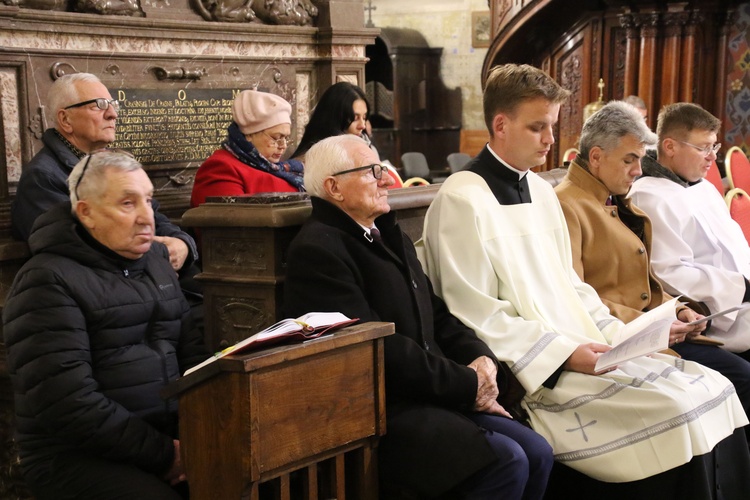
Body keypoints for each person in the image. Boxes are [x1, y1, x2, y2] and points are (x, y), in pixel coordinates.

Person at [418, 63, 749, 498]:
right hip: (540, 373)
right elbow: (476, 313)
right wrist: (566, 353)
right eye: (537, 127)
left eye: (551, 126)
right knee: (676, 407)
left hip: (588, 346)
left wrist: (627, 336)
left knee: (714, 387)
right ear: (500, 125)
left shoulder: (538, 191)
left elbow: (571, 287)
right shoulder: (462, 199)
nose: (551, 140)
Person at [283, 134, 553, 499]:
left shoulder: (388, 235)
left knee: (538, 451)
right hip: (385, 409)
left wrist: (481, 360)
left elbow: (438, 316)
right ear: (334, 187)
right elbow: (376, 347)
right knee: (508, 460)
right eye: (371, 171)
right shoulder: (319, 250)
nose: (386, 179)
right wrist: (466, 384)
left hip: (435, 391)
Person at [3, 151, 208, 499]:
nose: (147, 218)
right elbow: (69, 404)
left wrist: (205, 436)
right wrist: (167, 455)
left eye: (149, 201)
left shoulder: (156, 263)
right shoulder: (47, 280)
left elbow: (192, 357)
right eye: (127, 204)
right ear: (87, 213)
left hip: (163, 435)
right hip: (75, 454)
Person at [554, 100, 750, 420]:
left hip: (659, 326)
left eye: (640, 160)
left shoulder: (616, 200)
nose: (638, 170)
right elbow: (576, 294)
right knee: (739, 378)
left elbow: (646, 281)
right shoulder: (570, 204)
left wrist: (679, 309)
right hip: (621, 337)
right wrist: (654, 324)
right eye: (630, 160)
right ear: (596, 157)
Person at [11, 72, 198, 277]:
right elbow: (81, 247)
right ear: (65, 119)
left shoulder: (110, 165)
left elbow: (153, 216)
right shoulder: (43, 177)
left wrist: (182, 244)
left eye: (112, 104)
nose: (112, 114)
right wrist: (162, 254)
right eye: (98, 105)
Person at [629, 103, 750, 355]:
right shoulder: (649, 195)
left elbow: (733, 244)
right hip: (716, 313)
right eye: (703, 148)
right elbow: (668, 272)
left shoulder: (701, 186)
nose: (712, 157)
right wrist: (740, 286)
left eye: (714, 146)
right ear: (670, 146)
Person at [190, 89, 304, 207]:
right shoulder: (221, 168)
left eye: (286, 138)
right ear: (249, 134)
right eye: (276, 138)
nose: (283, 146)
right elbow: (230, 219)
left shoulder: (279, 168)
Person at [290, 81, 371, 160]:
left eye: (364, 118)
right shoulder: (309, 161)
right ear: (335, 118)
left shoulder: (364, 148)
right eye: (354, 118)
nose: (362, 126)